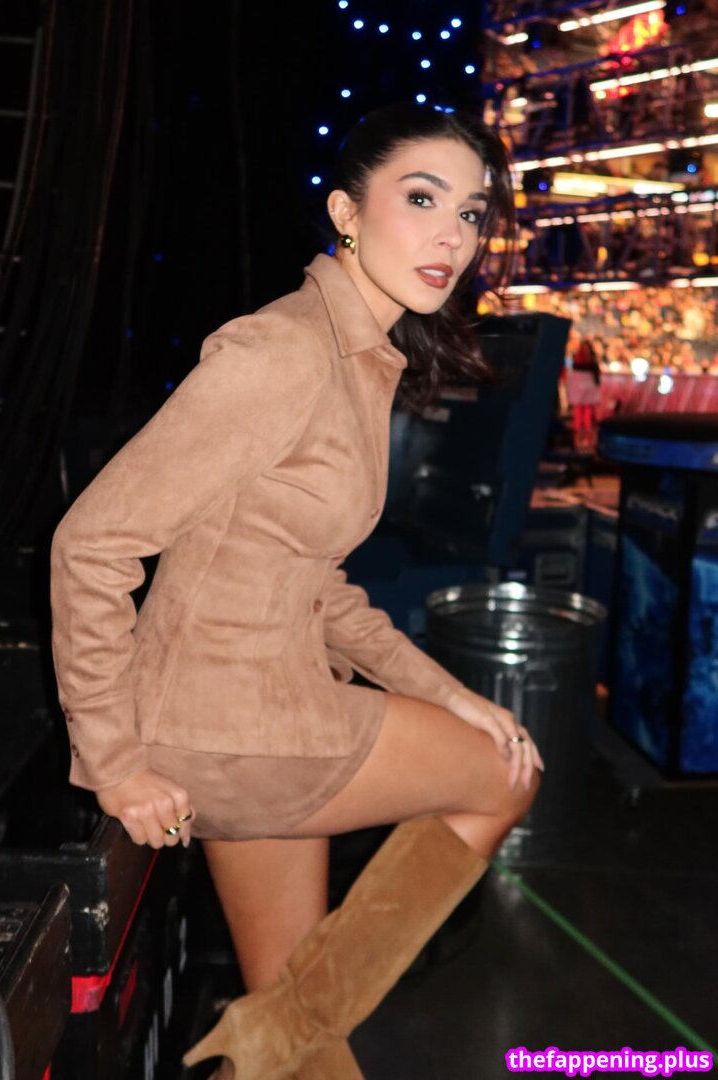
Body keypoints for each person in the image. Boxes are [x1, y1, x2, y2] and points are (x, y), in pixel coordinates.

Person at [49, 102, 543, 1079]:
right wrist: (113, 762)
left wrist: (448, 694)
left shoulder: (353, 353)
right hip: (236, 727)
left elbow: (319, 587)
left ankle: (271, 1041)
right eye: (422, 199)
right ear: (346, 213)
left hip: (255, 717)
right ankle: (269, 1033)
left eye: (471, 213)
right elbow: (91, 545)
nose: (452, 235)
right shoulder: (284, 352)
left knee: (303, 1042)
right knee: (507, 778)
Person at [567, 337, 601, 451]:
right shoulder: (591, 360)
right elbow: (596, 375)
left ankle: (578, 429)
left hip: (578, 386)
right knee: (586, 408)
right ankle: (586, 429)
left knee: (579, 408)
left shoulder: (576, 359)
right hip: (589, 386)